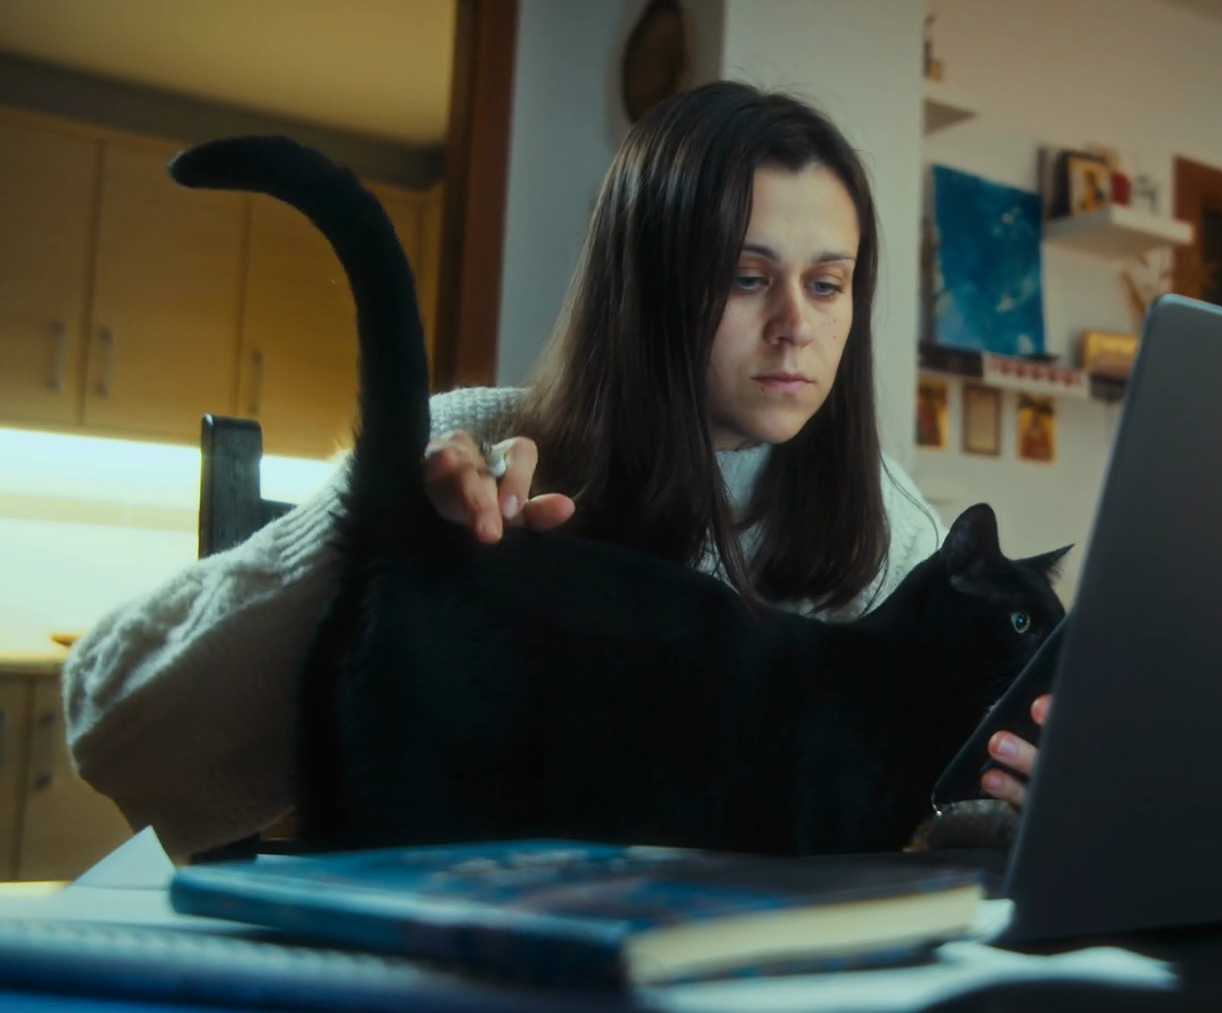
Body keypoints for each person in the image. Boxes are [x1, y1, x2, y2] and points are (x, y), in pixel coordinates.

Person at [61, 82, 1049, 859]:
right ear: (648, 286)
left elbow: (926, 827)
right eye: (747, 277)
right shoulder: (469, 438)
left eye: (828, 283)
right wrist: (373, 532)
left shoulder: (895, 527)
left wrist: (1026, 792)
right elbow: (110, 720)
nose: (797, 323)